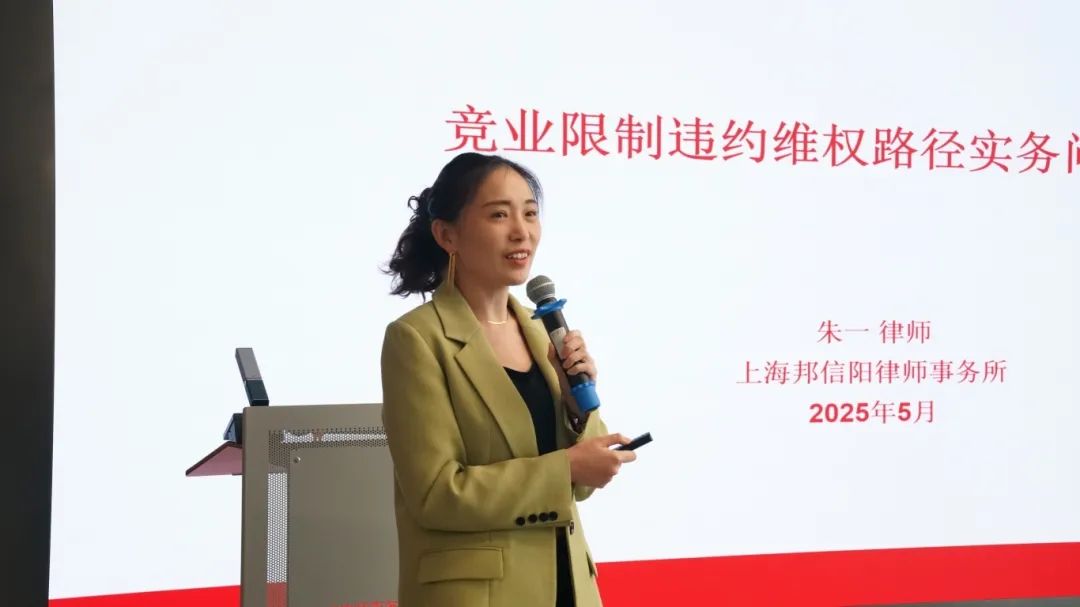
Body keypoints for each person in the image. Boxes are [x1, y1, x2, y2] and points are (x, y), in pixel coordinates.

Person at [379, 152, 636, 607]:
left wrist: (576, 407)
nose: (522, 232)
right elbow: (436, 494)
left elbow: (580, 486)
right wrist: (565, 468)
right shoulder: (416, 339)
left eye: (530, 213)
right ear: (447, 234)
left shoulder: (543, 332)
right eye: (499, 215)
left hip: (569, 586)